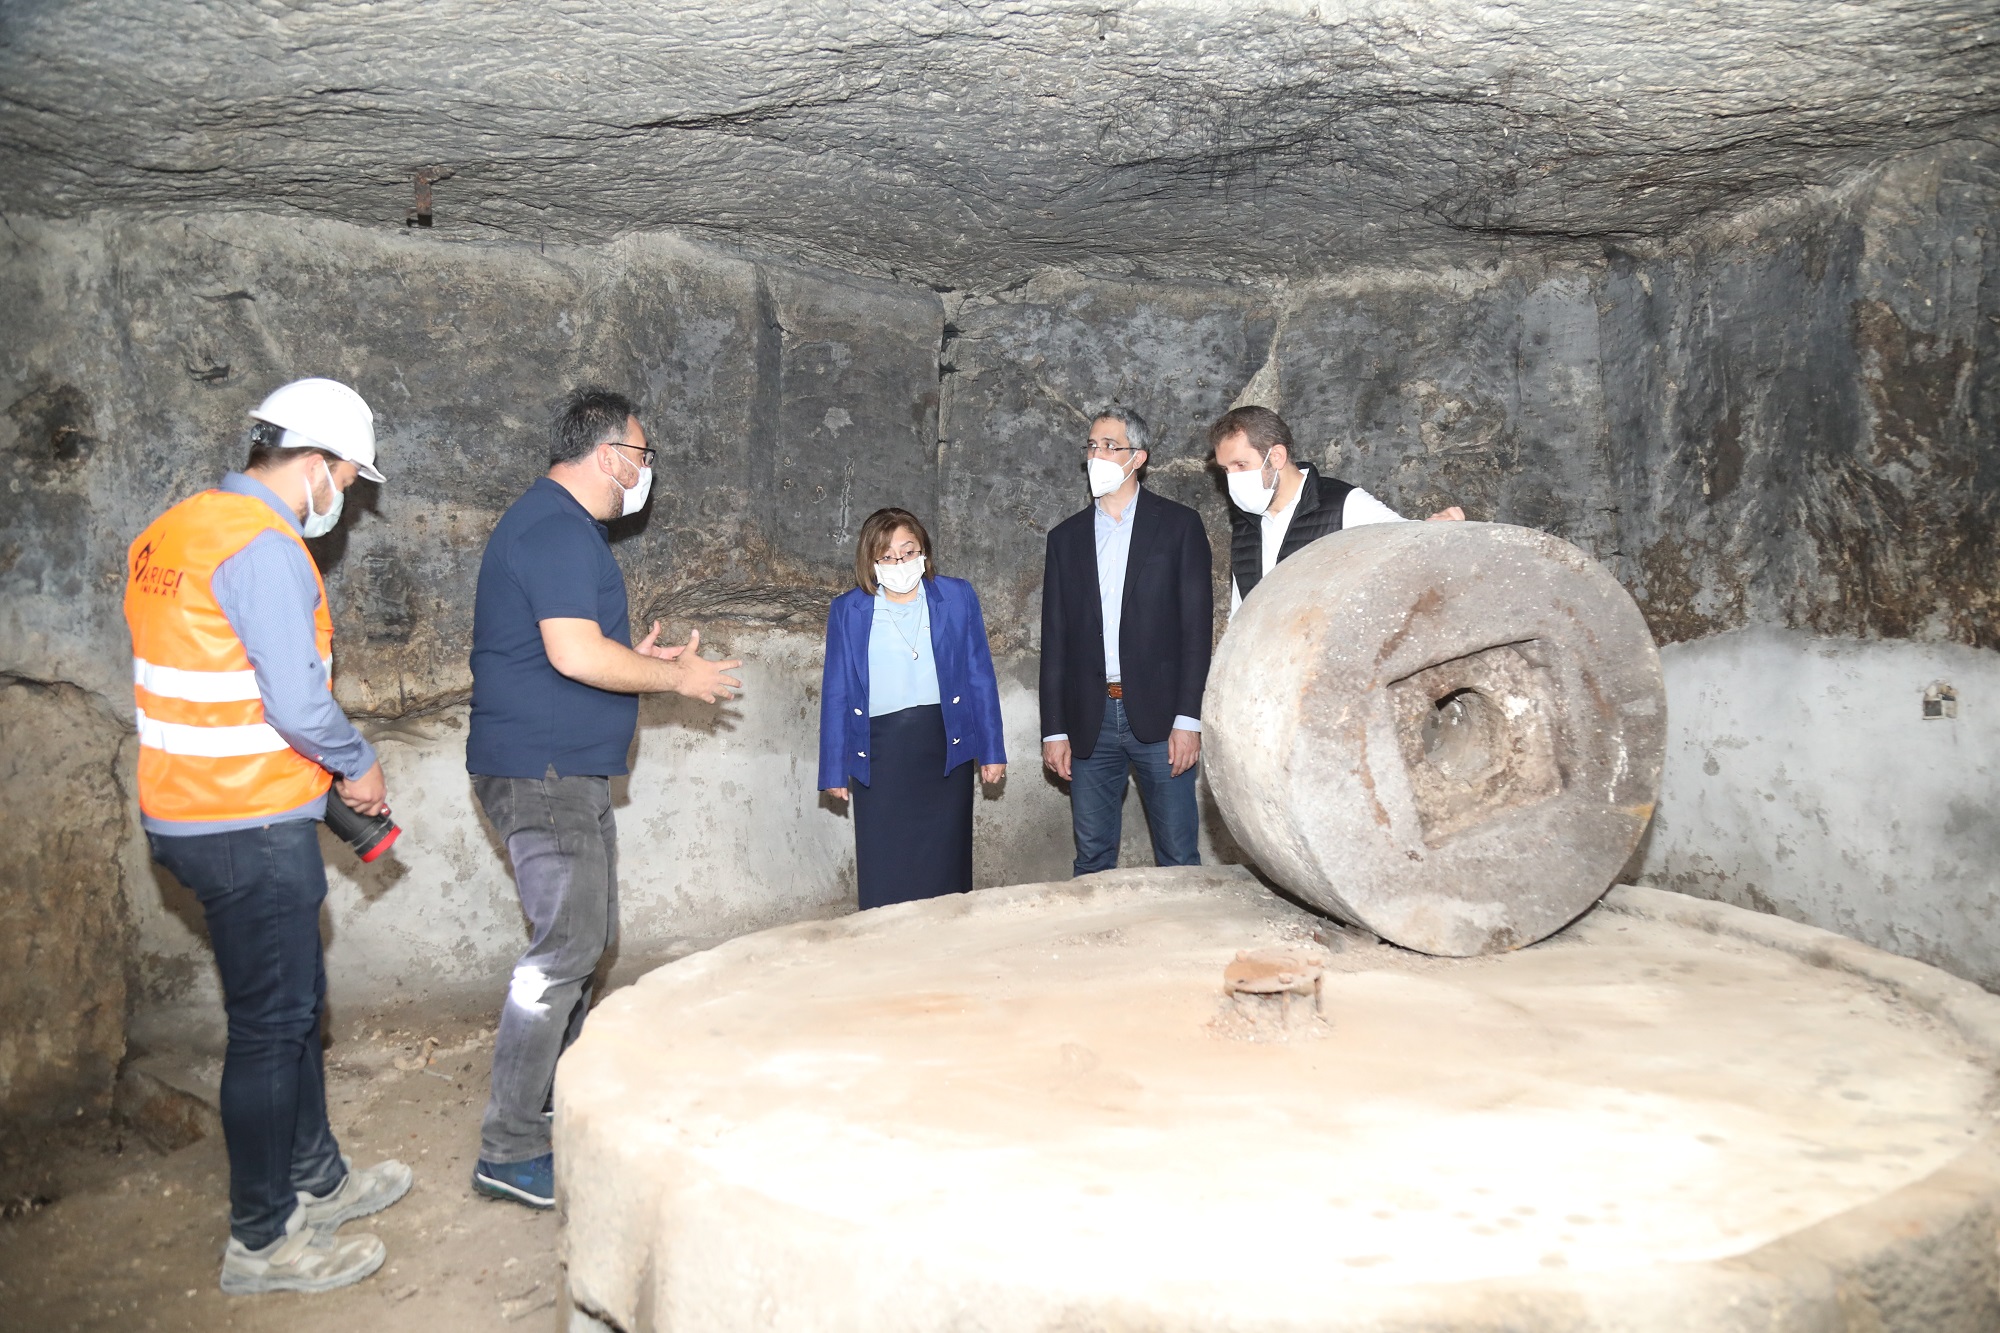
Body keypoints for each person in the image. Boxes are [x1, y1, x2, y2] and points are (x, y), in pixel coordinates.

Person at [125, 378, 412, 1295]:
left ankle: (317, 1178)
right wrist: (358, 764)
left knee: (294, 1005)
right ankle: (261, 1241)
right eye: (347, 479)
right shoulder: (265, 546)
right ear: (315, 462)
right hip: (244, 822)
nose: (345, 499)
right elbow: (295, 702)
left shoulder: (173, 530)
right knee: (270, 1027)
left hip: (195, 806)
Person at [465, 386, 742, 1210]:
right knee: (562, 953)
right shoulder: (554, 527)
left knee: (585, 942)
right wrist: (674, 677)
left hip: (560, 770)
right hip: (543, 772)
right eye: (642, 455)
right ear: (609, 454)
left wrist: (635, 655)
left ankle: (557, 1100)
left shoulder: (557, 527)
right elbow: (574, 655)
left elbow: (574, 648)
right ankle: (509, 1146)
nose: (646, 471)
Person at [1040, 405, 1212, 875]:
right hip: (1089, 719)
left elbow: (1196, 631)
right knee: (1092, 857)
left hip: (1162, 716)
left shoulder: (1178, 526)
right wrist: (1054, 729)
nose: (1097, 455)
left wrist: (1188, 720)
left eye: (1110, 446)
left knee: (1178, 856)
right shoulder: (1065, 539)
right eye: (1091, 446)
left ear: (1138, 458)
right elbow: (1055, 641)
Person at [818, 508, 1006, 908]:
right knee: (887, 867)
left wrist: (992, 750)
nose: (900, 562)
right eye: (887, 556)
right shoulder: (847, 610)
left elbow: (979, 675)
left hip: (945, 747)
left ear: (924, 551)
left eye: (909, 551)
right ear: (870, 561)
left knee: (946, 868)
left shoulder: (957, 596)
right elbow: (836, 692)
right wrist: (833, 768)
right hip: (880, 754)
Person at [1210, 405, 1465, 617]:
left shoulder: (1345, 504)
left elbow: (1409, 542)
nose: (1233, 479)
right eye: (1225, 470)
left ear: (1276, 456)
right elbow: (1240, 616)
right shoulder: (1245, 525)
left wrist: (1442, 528)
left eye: (1240, 465)